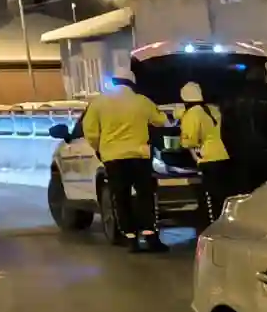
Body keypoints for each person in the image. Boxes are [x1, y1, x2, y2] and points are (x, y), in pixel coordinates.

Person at [81, 76, 166, 253]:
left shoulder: (98, 103)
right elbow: (160, 120)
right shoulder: (141, 101)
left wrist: (100, 149)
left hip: (113, 157)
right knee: (145, 196)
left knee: (121, 197)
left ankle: (130, 238)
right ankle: (150, 236)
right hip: (139, 156)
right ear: (130, 85)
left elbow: (90, 131)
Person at [223, 67, 267, 191]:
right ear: (264, 77)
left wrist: (233, 151)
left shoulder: (234, 99)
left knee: (247, 191)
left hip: (243, 154)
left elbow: (226, 130)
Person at [179, 82, 232, 224]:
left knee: (210, 198)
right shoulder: (212, 109)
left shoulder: (192, 114)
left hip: (208, 158)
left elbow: (190, 140)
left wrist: (192, 153)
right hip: (224, 156)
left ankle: (213, 227)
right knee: (222, 196)